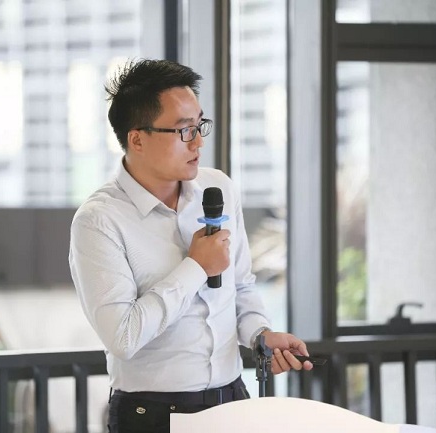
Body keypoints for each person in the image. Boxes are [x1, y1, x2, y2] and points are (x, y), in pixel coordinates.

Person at [69, 59, 313, 433]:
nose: (198, 142)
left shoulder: (218, 188)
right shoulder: (99, 220)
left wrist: (260, 335)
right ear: (137, 138)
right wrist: (196, 266)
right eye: (184, 130)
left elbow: (241, 287)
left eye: (200, 125)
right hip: (151, 415)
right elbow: (123, 336)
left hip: (232, 401)